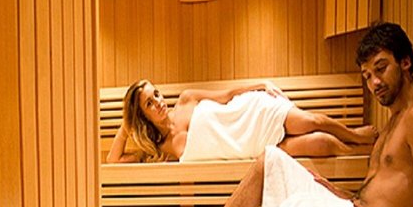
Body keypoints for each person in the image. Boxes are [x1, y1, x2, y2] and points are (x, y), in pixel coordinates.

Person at [112, 22, 413, 207]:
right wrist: (340, 194)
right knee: (271, 160)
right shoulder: (394, 121)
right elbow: (383, 190)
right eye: (367, 75)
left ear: (405, 62)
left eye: (381, 69)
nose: (374, 83)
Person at [106, 79, 378, 163]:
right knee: (320, 144)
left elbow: (226, 96)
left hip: (252, 115)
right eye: (149, 104)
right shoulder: (160, 150)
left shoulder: (187, 100)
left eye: (156, 94)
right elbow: (113, 161)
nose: (158, 102)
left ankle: (356, 136)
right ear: (142, 116)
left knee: (313, 120)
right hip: (250, 149)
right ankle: (362, 153)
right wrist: (126, 126)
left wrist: (260, 86)